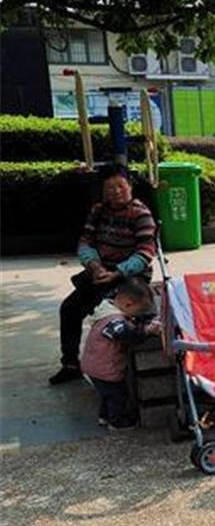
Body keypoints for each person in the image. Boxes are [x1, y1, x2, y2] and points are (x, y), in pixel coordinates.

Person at [50, 163, 157, 385]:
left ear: (130, 186)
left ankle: (112, 374)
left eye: (121, 186)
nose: (116, 192)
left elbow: (145, 253)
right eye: (110, 188)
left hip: (129, 278)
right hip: (100, 272)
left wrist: (117, 273)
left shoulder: (141, 214)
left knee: (107, 317)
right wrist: (94, 266)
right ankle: (70, 364)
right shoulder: (98, 211)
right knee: (69, 309)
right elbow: (85, 242)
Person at [80, 277, 161, 430]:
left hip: (94, 366)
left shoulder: (106, 309)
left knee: (107, 395)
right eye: (138, 311)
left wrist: (143, 319)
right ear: (128, 303)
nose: (136, 315)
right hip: (105, 368)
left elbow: (129, 321)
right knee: (117, 395)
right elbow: (126, 335)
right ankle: (117, 422)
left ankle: (105, 416)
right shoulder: (113, 320)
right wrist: (147, 330)